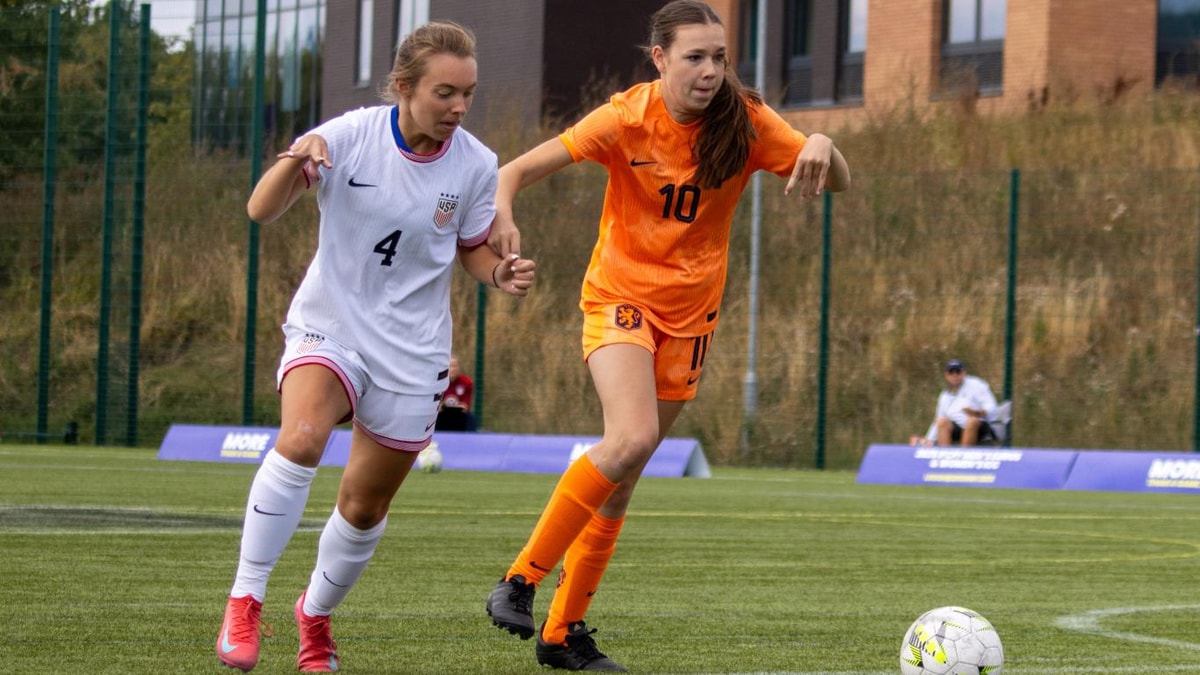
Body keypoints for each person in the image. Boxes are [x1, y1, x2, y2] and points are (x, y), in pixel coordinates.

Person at [483, 1, 850, 670]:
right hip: (620, 299)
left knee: (623, 477)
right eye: (695, 57)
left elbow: (837, 180)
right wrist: (502, 219)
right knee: (629, 439)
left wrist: (825, 145)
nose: (711, 71)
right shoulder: (625, 118)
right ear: (659, 58)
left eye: (719, 58)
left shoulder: (747, 124)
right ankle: (520, 579)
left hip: (692, 321)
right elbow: (511, 173)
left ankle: (563, 635)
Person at [214, 21, 535, 673]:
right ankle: (245, 598)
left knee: (364, 505)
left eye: (467, 93)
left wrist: (499, 273)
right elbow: (260, 209)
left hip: (412, 351)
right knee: (301, 437)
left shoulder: (475, 162)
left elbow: (471, 248)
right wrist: (291, 159)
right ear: (403, 87)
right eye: (445, 92)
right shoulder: (348, 136)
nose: (458, 108)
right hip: (329, 325)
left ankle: (314, 616)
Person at [924, 359, 999, 447]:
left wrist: (979, 413)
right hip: (957, 428)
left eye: (958, 372)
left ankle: (964, 455)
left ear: (964, 373)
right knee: (942, 422)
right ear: (946, 376)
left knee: (972, 420)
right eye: (951, 372)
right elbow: (938, 419)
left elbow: (991, 406)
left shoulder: (976, 385)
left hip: (980, 427)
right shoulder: (944, 395)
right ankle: (944, 456)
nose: (955, 375)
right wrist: (928, 440)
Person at [435, 354, 477, 431]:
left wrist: (459, 406)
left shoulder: (467, 383)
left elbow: (465, 407)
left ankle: (470, 439)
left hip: (459, 416)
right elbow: (436, 405)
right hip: (443, 416)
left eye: (455, 366)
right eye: (450, 366)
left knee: (471, 418)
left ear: (459, 368)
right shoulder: (439, 382)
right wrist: (440, 406)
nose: (452, 369)